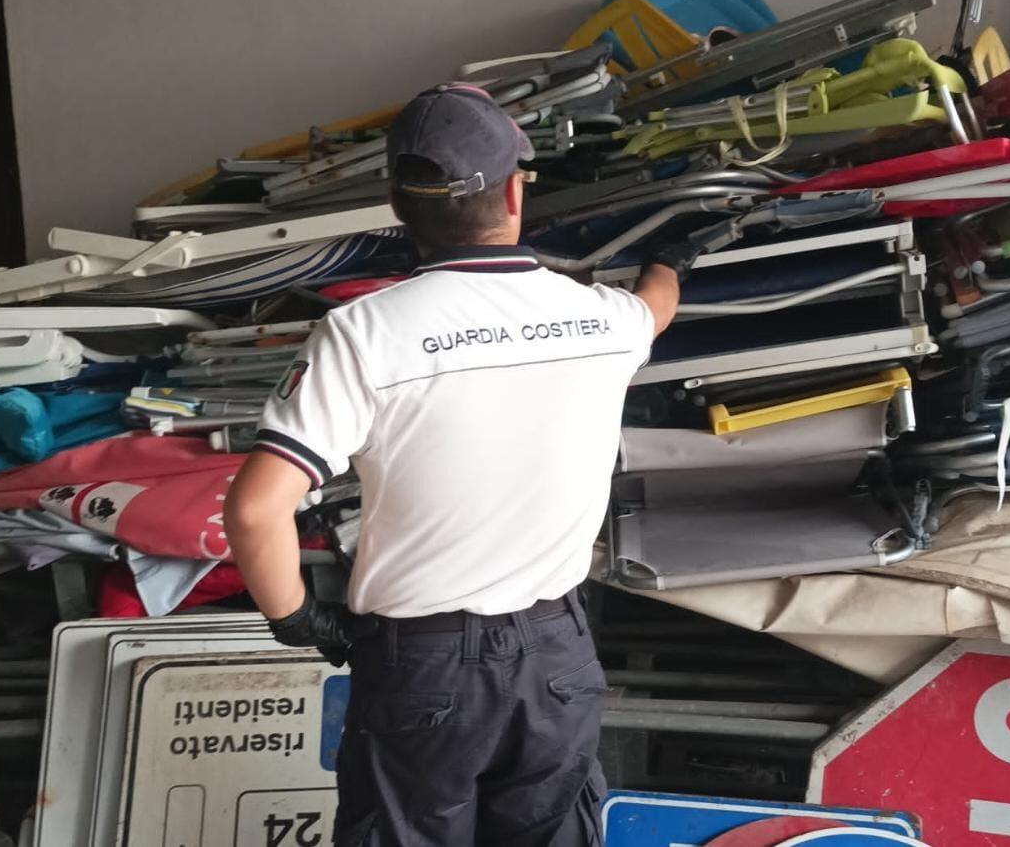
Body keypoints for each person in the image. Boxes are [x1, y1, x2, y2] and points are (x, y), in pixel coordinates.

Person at [224, 84, 702, 847]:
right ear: (515, 191)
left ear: (396, 202)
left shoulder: (363, 334)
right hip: (555, 656)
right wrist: (670, 257)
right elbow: (656, 303)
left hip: (421, 665)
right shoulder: (602, 321)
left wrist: (296, 620)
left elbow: (255, 510)